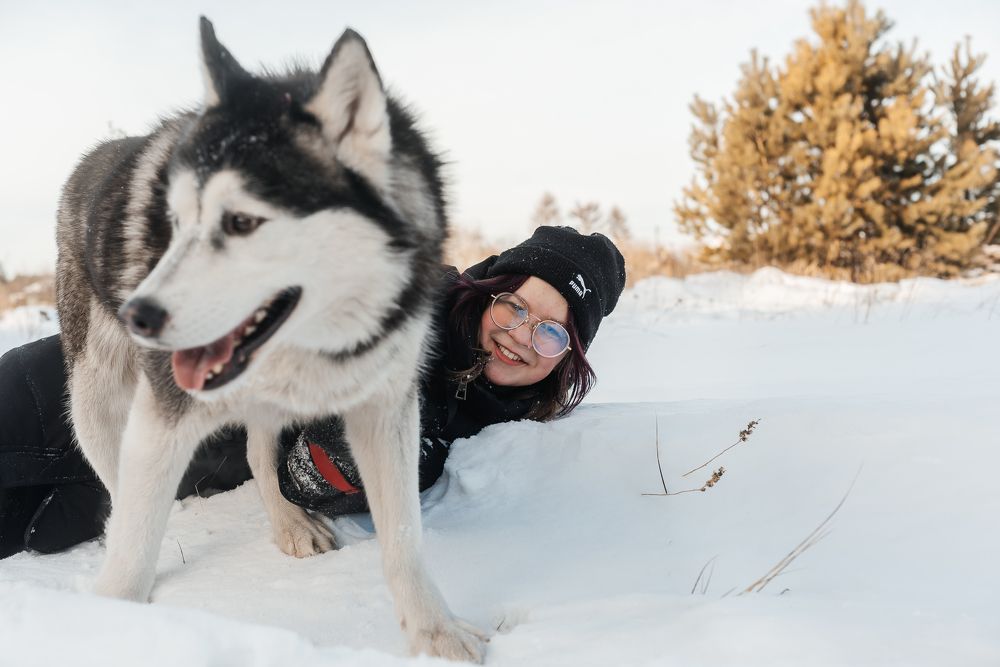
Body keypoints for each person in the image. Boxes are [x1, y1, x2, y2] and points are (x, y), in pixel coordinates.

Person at [0, 226, 626, 558]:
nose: (520, 335)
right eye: (514, 306)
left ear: (570, 358)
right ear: (490, 291)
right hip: (90, 387)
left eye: (550, 331)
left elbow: (316, 475)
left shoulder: (492, 422)